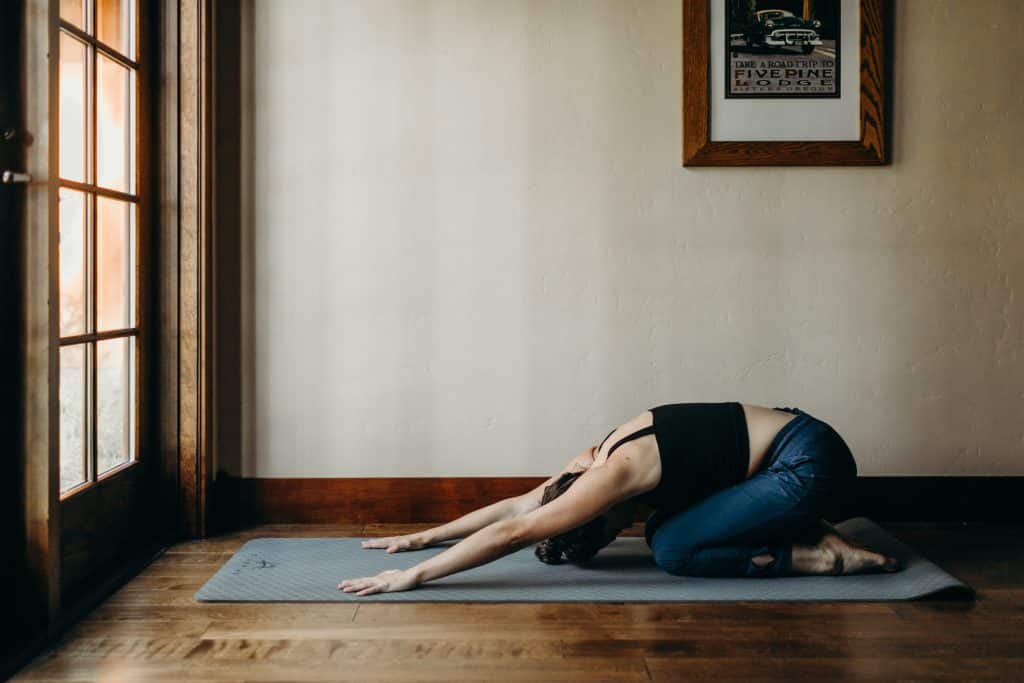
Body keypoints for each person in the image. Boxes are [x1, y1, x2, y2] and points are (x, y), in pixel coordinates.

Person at [339, 403, 900, 596]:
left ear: (594, 511)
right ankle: (804, 528)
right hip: (803, 447)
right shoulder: (590, 461)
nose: (619, 529)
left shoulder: (615, 474)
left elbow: (516, 533)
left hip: (808, 464)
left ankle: (822, 554)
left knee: (674, 549)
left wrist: (417, 575)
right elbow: (517, 506)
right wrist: (424, 536)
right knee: (663, 530)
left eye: (606, 532)